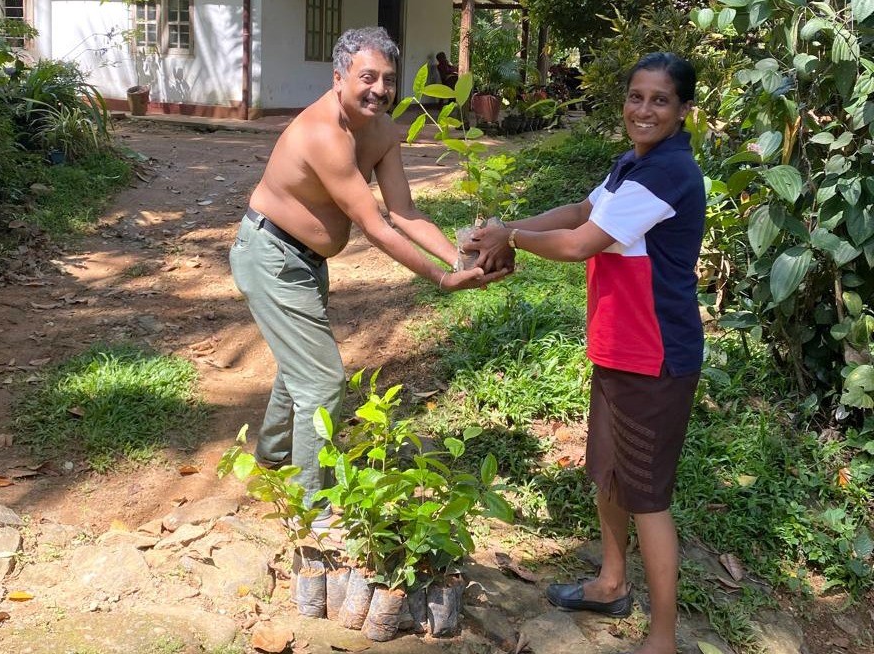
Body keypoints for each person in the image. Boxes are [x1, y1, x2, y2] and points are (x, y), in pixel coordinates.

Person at [470, 52, 704, 654]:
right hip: (618, 348)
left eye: (659, 99)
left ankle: (662, 637)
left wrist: (512, 237)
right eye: (636, 96)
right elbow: (580, 212)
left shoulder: (670, 173)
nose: (643, 109)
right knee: (610, 472)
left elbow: (579, 243)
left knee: (647, 496)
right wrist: (508, 226)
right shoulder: (632, 165)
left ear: (682, 110)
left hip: (656, 356)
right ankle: (610, 581)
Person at [229, 27, 508, 526]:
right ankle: (312, 511)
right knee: (322, 381)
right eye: (367, 77)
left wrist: (459, 259)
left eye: (389, 80)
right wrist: (440, 281)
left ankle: (271, 454)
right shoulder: (323, 134)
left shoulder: (380, 131)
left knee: (302, 365)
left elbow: (404, 209)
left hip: (305, 261)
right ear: (338, 77)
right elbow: (375, 226)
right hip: (268, 255)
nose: (379, 89)